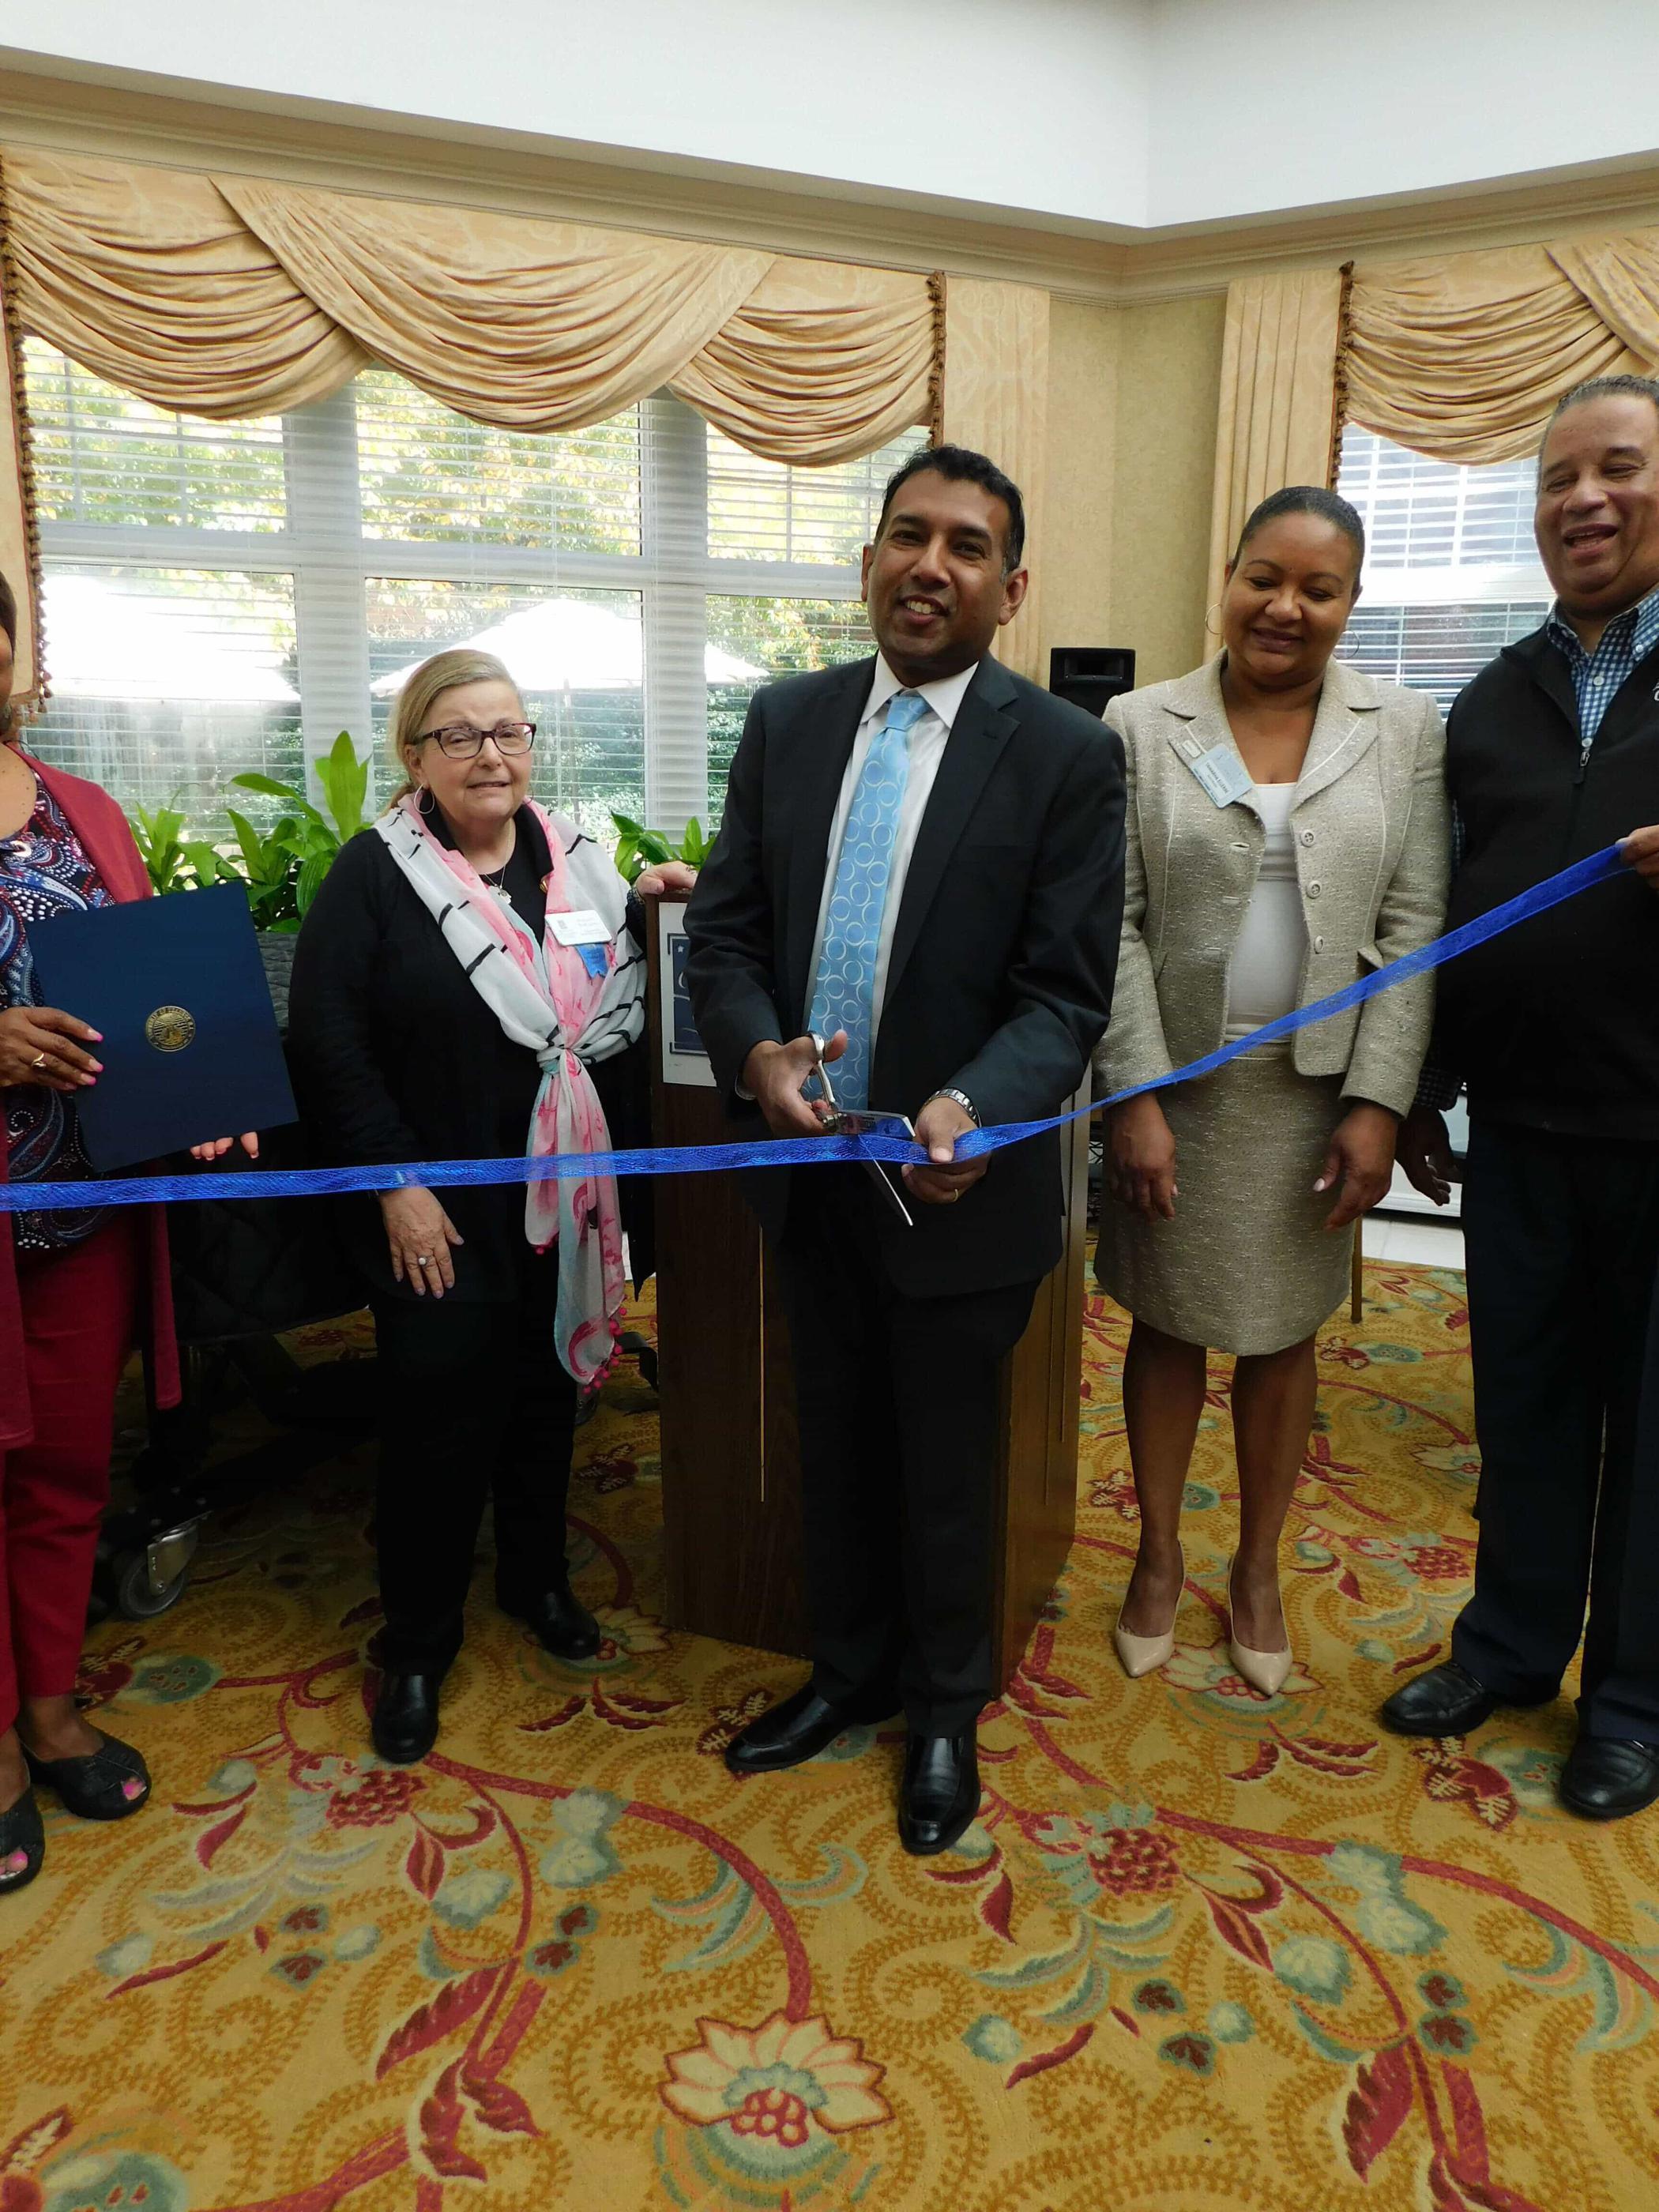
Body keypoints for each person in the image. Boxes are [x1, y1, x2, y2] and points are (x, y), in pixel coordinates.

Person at [683, 446, 1125, 1856]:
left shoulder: (1063, 753)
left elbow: (1066, 993)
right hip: (812, 1174)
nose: (930, 565)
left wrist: (980, 1107)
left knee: (946, 1458)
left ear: (1010, 586)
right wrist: (756, 1056)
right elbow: (728, 930)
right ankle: (849, 1670)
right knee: (834, 1435)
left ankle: (942, 1713)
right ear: (869, 559)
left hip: (961, 1185)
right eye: (905, 537)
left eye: (967, 547)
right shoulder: (787, 721)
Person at [288, 650, 693, 1766]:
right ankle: (416, 1645)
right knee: (435, 1422)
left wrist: (655, 908)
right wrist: (397, 1188)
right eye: (460, 735)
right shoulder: (376, 874)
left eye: (509, 732)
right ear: (414, 754)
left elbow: (622, 994)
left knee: (546, 1397)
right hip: (441, 1215)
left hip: (569, 1203)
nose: (490, 755)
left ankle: (536, 1582)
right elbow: (328, 1046)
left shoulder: (581, 862)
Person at [1095, 487, 1448, 1694]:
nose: (1285, 606)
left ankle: (1254, 1567)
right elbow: (1117, 922)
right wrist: (1132, 1092)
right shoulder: (1139, 723)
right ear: (1229, 579)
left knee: (1283, 1335)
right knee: (1167, 1324)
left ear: (1350, 604)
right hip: (1179, 1087)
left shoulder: (1404, 729)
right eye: (1265, 577)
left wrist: (1380, 1101)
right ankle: (1154, 1559)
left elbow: (1413, 928)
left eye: (1319, 587)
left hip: (1317, 1093)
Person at [1387, 374, 1659, 1822]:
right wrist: (1429, 1081)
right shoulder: (1492, 699)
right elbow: (1458, 912)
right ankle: (1507, 1648)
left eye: (1618, 470)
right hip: (1528, 1134)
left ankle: (1635, 1699)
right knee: (1531, 1409)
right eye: (1559, 479)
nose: (1584, 501)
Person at [0, 572, 256, 1896]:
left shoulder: (79, 807)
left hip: (86, 1213)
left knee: (64, 1477)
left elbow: (161, 1000)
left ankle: (50, 1709)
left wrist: (199, 1098)